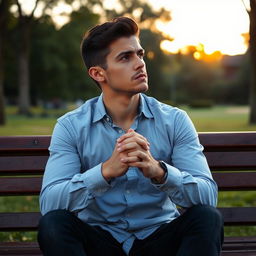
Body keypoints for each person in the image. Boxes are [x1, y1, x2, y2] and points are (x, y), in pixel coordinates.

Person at [38, 17, 223, 256]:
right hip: (101, 241)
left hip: (159, 239)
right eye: (125, 57)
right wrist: (104, 172)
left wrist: (159, 172)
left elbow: (208, 196)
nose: (140, 64)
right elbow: (50, 204)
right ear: (98, 73)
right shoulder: (70, 126)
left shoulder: (175, 120)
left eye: (140, 54)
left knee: (207, 218)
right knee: (54, 225)